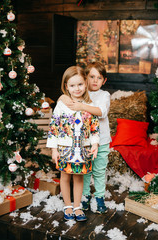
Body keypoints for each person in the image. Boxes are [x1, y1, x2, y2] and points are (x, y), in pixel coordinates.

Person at [46, 66, 100, 221]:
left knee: (78, 178)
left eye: (80, 84)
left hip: (82, 149)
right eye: (72, 85)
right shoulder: (62, 104)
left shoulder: (88, 105)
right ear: (66, 87)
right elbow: (54, 126)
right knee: (65, 176)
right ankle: (67, 205)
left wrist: (94, 144)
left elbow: (94, 127)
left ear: (86, 84)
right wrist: (54, 149)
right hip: (64, 148)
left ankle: (77, 206)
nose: (77, 89)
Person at [59, 62, 111, 213]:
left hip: (102, 141)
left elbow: (101, 112)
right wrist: (62, 97)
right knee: (85, 171)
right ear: (85, 78)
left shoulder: (104, 95)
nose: (95, 81)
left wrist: (81, 106)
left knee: (99, 171)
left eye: (99, 78)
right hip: (84, 142)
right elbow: (63, 99)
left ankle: (100, 197)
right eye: (91, 77)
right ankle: (85, 196)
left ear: (104, 81)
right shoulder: (80, 93)